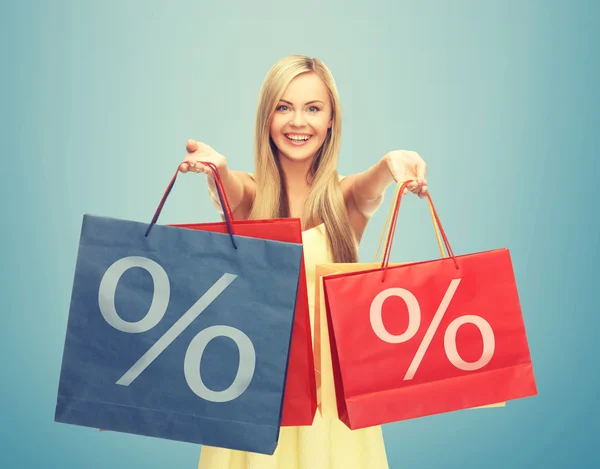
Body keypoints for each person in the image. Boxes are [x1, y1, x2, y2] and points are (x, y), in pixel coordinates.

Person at [179, 54, 428, 469]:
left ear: (331, 120)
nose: (298, 121)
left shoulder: (345, 198)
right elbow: (230, 188)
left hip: (330, 398)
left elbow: (371, 186)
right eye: (284, 107)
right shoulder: (252, 195)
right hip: (254, 387)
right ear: (266, 118)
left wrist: (389, 166)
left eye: (313, 108)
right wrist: (217, 170)